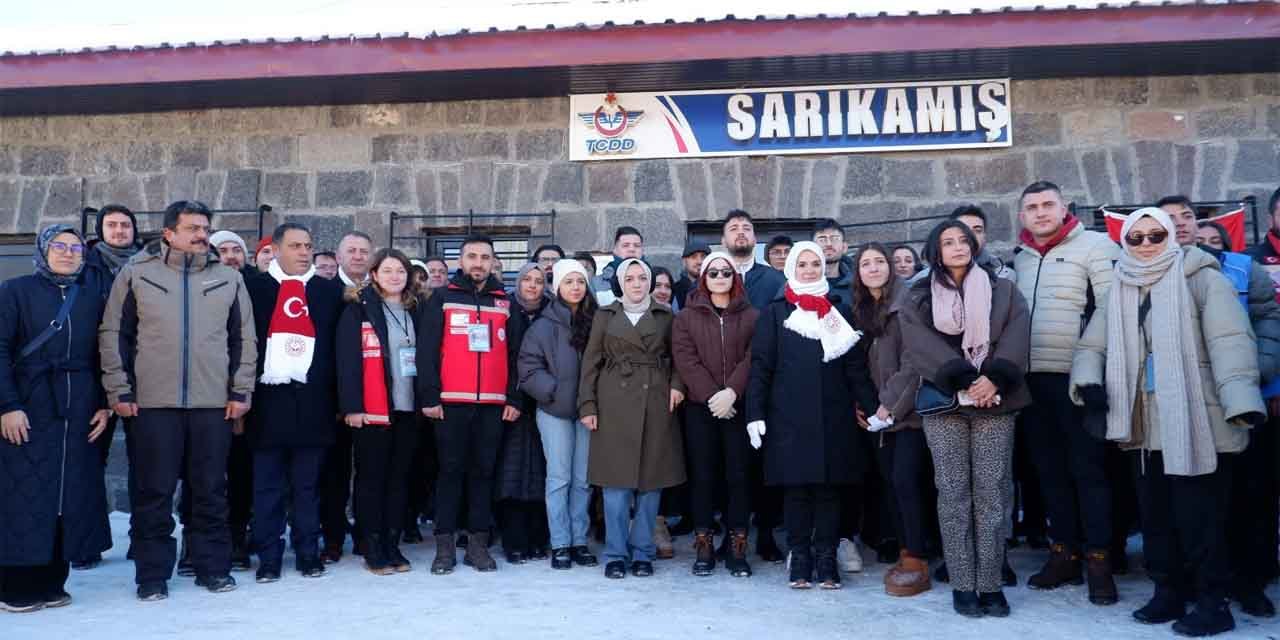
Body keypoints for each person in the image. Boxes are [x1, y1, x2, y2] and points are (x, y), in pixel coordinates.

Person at [1070, 207, 1266, 636]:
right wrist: (1088, 383)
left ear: (1170, 237)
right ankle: (1168, 592)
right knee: (1156, 515)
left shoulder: (1202, 278)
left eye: (1154, 235)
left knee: (1200, 516)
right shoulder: (1119, 285)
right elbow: (1092, 345)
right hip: (1142, 420)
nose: (1145, 244)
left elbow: (1231, 344)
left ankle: (1213, 602)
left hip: (1199, 417)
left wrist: (1242, 403)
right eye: (1136, 237)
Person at [99, 200, 257, 601]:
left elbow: (244, 338)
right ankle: (152, 576)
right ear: (169, 233)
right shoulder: (137, 274)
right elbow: (115, 333)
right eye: (192, 228)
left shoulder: (228, 278)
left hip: (211, 404)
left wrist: (241, 391)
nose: (202, 234)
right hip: (153, 404)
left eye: (205, 227)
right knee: (153, 492)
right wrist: (120, 389)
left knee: (209, 490)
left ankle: (212, 568)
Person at [899, 220, 1031, 618]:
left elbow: (1018, 332)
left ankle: (990, 583)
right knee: (953, 494)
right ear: (935, 251)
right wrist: (962, 377)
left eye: (963, 240)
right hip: (944, 403)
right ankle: (962, 583)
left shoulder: (1004, 288)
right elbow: (918, 344)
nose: (957, 247)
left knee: (992, 493)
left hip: (995, 401)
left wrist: (994, 379)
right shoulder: (918, 295)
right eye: (947, 242)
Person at [1162, 194, 1280, 618]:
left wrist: (1260, 367)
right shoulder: (1145, 271)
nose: (1179, 223)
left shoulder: (1240, 267)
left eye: (1187, 216)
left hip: (1242, 399)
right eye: (1168, 217)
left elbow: (1268, 319)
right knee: (1198, 505)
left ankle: (1251, 583)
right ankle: (1198, 583)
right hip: (1186, 406)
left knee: (1251, 497)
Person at [1011, 180, 1120, 604]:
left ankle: (1099, 561)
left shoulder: (1095, 246)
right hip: (1033, 381)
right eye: (1032, 207)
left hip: (1078, 378)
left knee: (1089, 472)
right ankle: (1064, 553)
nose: (1040, 213)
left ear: (1064, 207)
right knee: (1049, 473)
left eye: (1047, 205)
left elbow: (1111, 309)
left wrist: (1092, 368)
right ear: (1022, 216)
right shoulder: (1018, 259)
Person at [746, 241, 878, 590]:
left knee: (828, 491)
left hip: (833, 416)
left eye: (814, 264)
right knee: (797, 492)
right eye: (801, 264)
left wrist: (875, 407)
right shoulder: (775, 312)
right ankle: (800, 558)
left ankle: (826, 557)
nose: (808, 270)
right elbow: (761, 366)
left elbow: (855, 368)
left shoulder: (838, 311)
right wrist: (754, 412)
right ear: (791, 268)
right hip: (787, 417)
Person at [0, 225, 112, 613]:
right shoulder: (15, 292)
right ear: (43, 251)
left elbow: (103, 355)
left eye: (75, 247)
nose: (68, 253)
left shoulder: (92, 297)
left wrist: (104, 402)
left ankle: (53, 579)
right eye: (59, 246)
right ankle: (15, 584)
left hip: (78, 406)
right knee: (23, 493)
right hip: (29, 405)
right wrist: (7, 405)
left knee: (69, 493)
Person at [418, 235, 524, 574]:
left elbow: (517, 355)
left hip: (493, 405)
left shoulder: (504, 302)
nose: (478, 263)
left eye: (484, 257)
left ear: (494, 262)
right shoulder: (442, 298)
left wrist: (514, 397)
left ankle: (478, 545)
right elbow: (427, 351)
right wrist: (430, 397)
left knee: (483, 474)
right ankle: (444, 546)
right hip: (451, 404)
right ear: (460, 262)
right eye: (471, 256)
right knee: (449, 474)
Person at [243, 223, 343, 582]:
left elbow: (338, 350)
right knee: (267, 488)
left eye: (309, 246)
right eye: (296, 246)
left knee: (307, 487)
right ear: (277, 249)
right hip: (267, 405)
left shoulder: (329, 291)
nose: (304, 252)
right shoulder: (254, 289)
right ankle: (269, 556)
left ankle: (307, 552)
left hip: (313, 404)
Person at [578, 258, 685, 579]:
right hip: (614, 402)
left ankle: (643, 553)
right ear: (621, 283)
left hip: (655, 399)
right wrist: (588, 405)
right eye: (631, 278)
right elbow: (590, 363)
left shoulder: (666, 315)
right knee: (615, 485)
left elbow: (680, 357)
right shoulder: (605, 314)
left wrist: (677, 386)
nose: (637, 284)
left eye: (643, 278)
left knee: (651, 484)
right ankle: (615, 553)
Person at [336, 248, 430, 575]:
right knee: (371, 480)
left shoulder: (416, 309)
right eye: (388, 270)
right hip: (373, 410)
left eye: (401, 271)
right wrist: (352, 407)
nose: (395, 277)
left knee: (398, 480)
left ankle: (392, 542)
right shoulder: (358, 309)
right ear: (374, 274)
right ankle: (371, 544)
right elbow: (346, 361)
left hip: (407, 408)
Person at [850, 242, 932, 597]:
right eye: (865, 263)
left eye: (878, 261)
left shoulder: (909, 302)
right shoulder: (863, 309)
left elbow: (914, 362)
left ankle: (917, 559)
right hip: (879, 416)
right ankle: (904, 551)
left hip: (907, 413)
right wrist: (865, 405)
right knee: (891, 485)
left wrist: (887, 407)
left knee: (907, 482)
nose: (873, 268)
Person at [672, 251, 758, 578]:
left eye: (726, 272)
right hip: (700, 407)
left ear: (734, 277)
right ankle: (704, 542)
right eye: (713, 273)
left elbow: (754, 357)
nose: (720, 277)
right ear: (703, 278)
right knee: (704, 477)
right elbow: (685, 358)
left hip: (738, 406)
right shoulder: (686, 318)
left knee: (738, 477)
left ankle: (737, 545)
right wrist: (712, 396)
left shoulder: (753, 316)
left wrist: (732, 391)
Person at [519, 259, 600, 570]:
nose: (575, 288)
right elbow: (528, 367)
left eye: (580, 282)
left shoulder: (596, 320)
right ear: (558, 287)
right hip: (554, 411)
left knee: (583, 480)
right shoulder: (544, 324)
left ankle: (580, 541)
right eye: (569, 282)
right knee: (559, 479)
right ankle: (560, 543)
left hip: (588, 413)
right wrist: (552, 391)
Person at [76, 204, 142, 570]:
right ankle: (87, 543)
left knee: (145, 465)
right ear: (101, 230)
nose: (119, 231)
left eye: (125, 225)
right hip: (92, 377)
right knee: (89, 463)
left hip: (142, 377)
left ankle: (141, 537)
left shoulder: (149, 264)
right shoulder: (86, 267)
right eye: (111, 225)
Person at [721, 209, 786, 563]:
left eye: (747, 227)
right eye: (734, 228)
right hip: (723, 389)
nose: (741, 233)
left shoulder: (774, 280)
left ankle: (765, 535)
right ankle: (731, 535)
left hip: (765, 384)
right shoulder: (714, 277)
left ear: (755, 238)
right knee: (729, 467)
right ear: (724, 240)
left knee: (763, 466)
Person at [320, 230, 374, 563]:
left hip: (375, 398)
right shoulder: (323, 291)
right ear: (339, 256)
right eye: (351, 250)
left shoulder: (381, 291)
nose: (357, 256)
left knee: (369, 471)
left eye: (363, 251)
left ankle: (367, 535)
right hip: (333, 399)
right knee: (334, 474)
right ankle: (334, 538)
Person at [495, 263, 551, 564]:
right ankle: (513, 540)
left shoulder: (553, 314)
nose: (532, 285)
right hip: (510, 403)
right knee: (511, 472)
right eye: (526, 279)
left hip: (544, 402)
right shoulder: (504, 311)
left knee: (540, 474)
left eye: (538, 281)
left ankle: (538, 538)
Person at [592, 226, 644, 306]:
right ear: (615, 250)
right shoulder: (595, 284)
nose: (632, 249)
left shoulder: (656, 281)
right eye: (626, 245)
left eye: (637, 245)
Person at [813, 219, 854, 291]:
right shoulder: (799, 284)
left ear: (844, 247)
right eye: (822, 240)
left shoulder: (859, 282)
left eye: (834, 239)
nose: (829, 244)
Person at [672, 241, 709, 309]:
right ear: (684, 261)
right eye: (693, 257)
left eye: (703, 257)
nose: (699, 261)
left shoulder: (715, 287)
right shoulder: (674, 289)